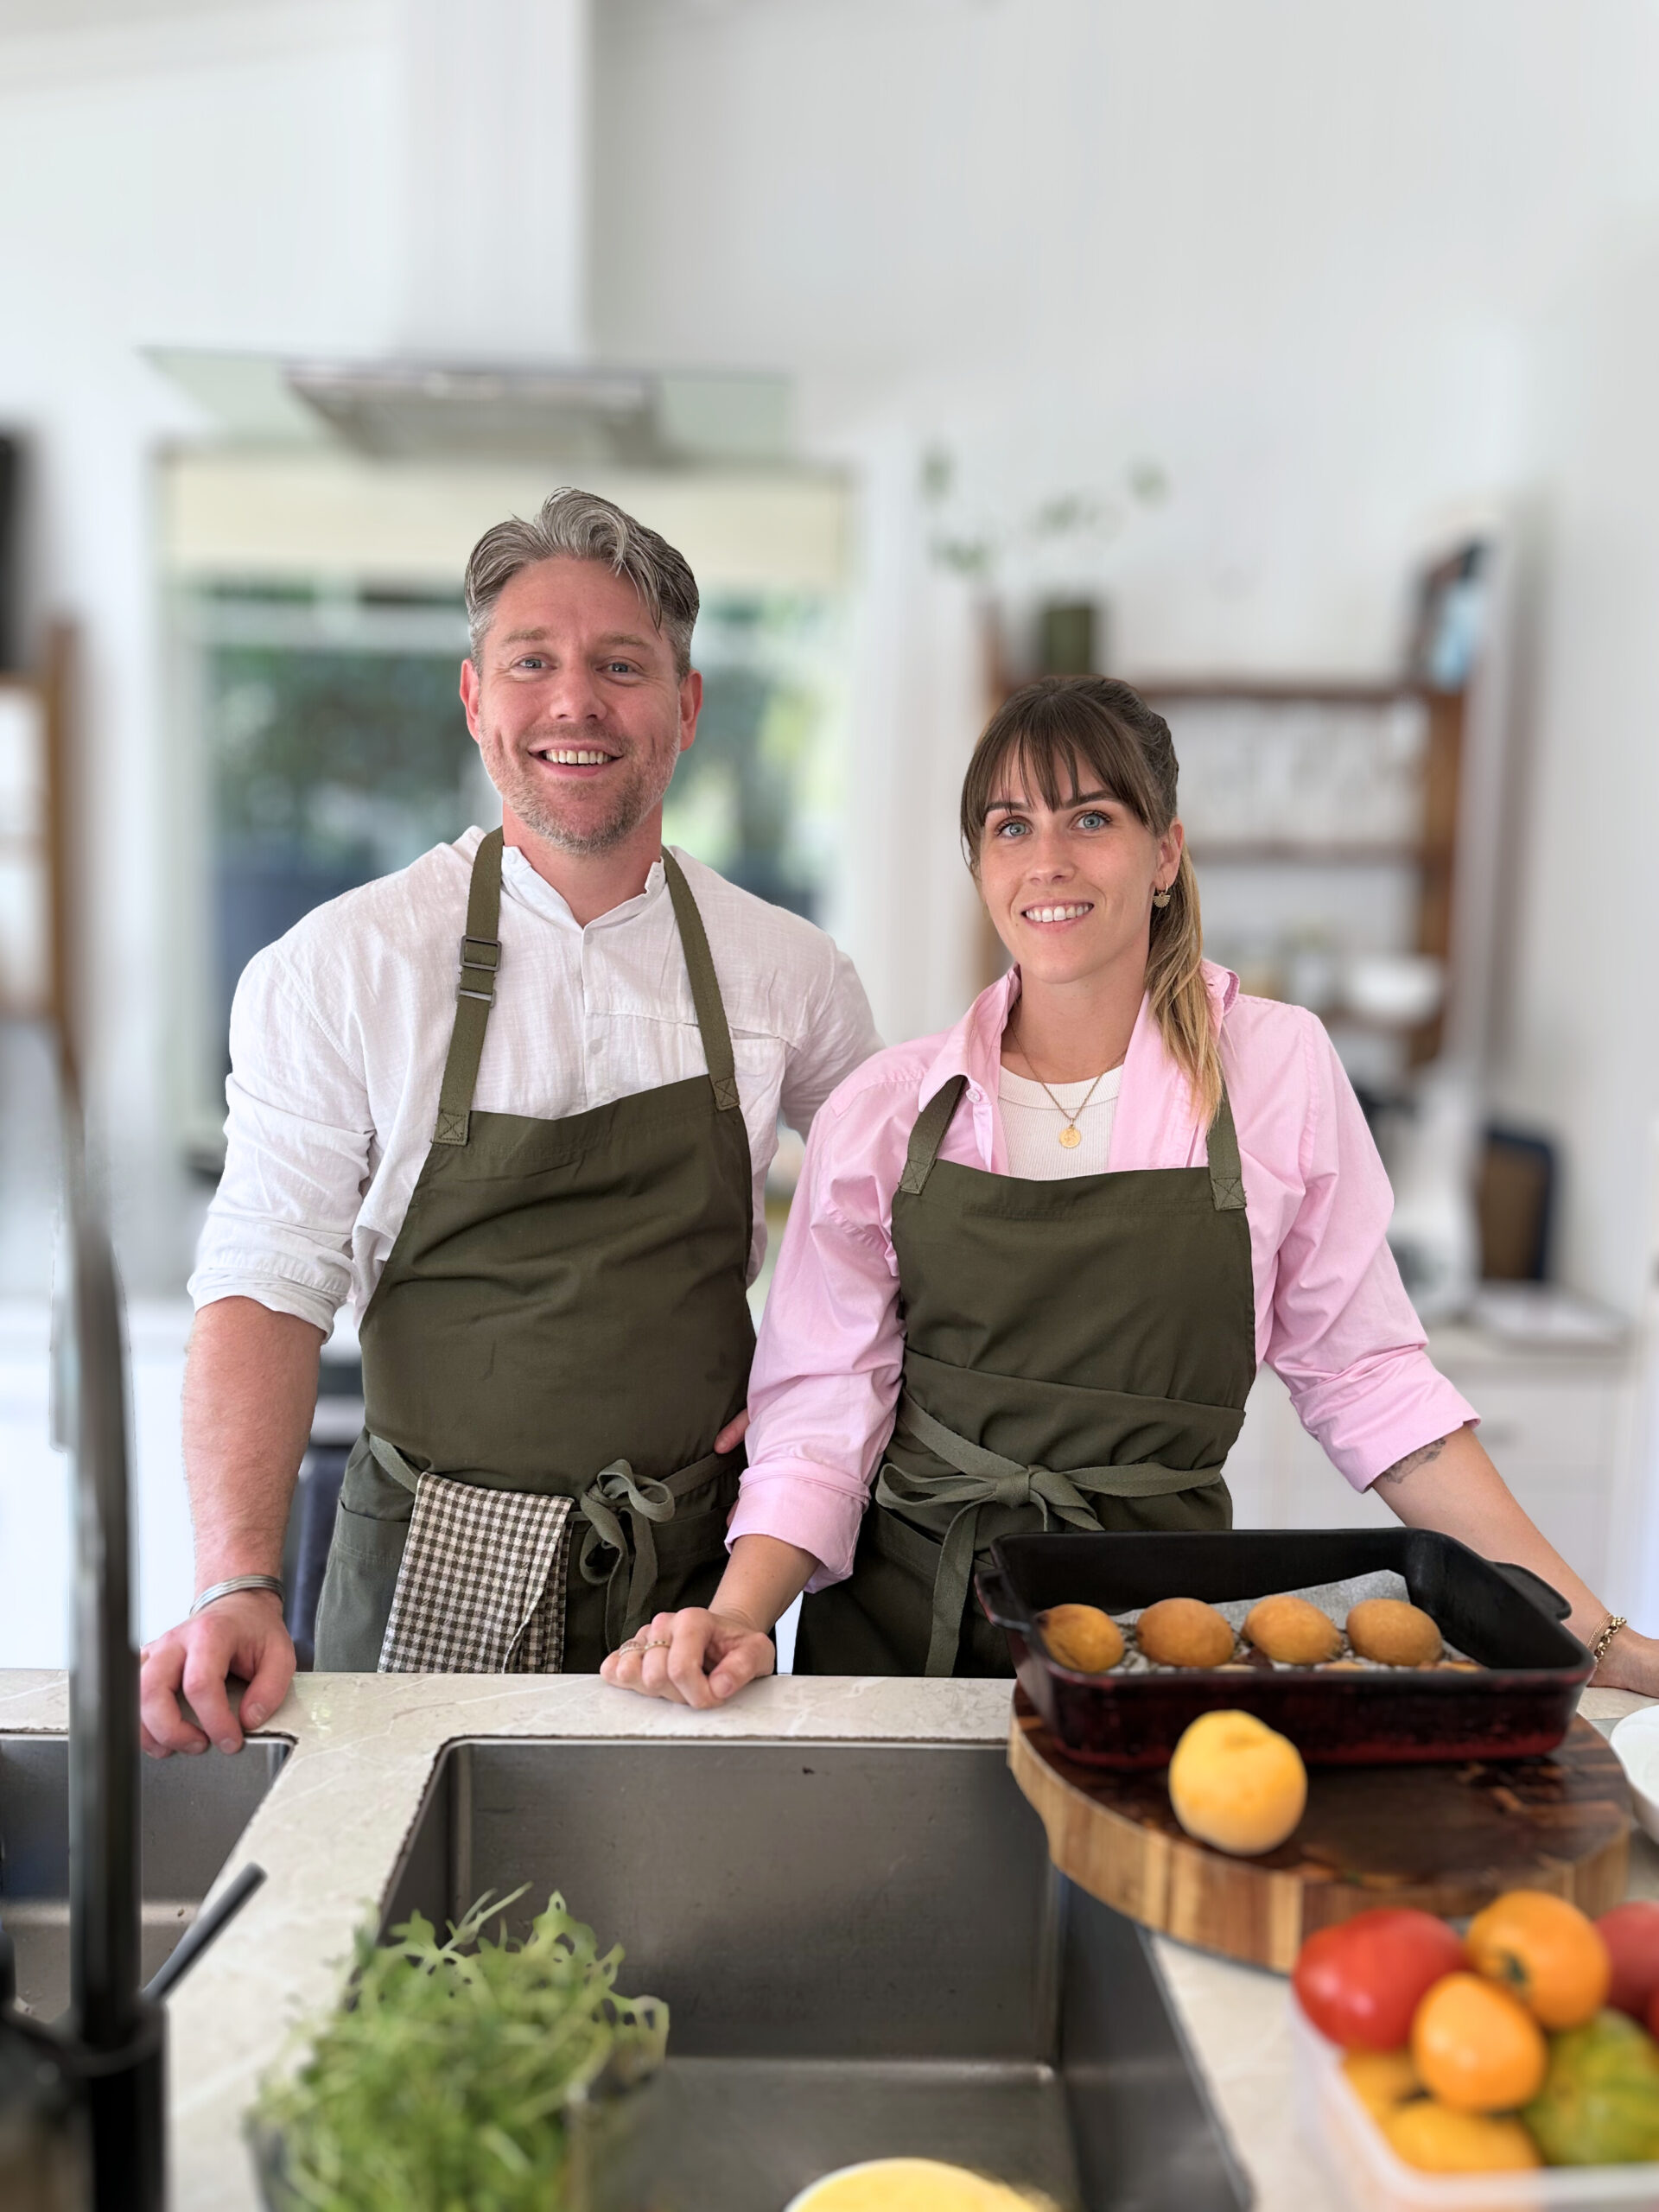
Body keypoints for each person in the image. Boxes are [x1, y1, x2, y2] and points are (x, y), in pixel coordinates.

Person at [605, 674, 1659, 1706]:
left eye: (1091, 818)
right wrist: (742, 1614)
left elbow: (1371, 1382)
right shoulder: (888, 1108)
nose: (1048, 860)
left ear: (1165, 852)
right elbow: (821, 1415)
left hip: (1159, 1645)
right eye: (1011, 826)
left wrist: (1591, 1631)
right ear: (979, 865)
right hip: (903, 1644)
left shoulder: (1274, 1069)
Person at [138, 488, 880, 1758]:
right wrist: (236, 1580)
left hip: (692, 1592)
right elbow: (265, 1280)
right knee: (409, 1884)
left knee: (679, 1878)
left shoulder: (789, 974)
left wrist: (810, 1395)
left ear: (688, 705)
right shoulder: (342, 967)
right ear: (476, 699)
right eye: (532, 662)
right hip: (427, 1565)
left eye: (622, 666)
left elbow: (894, 1233)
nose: (574, 703)